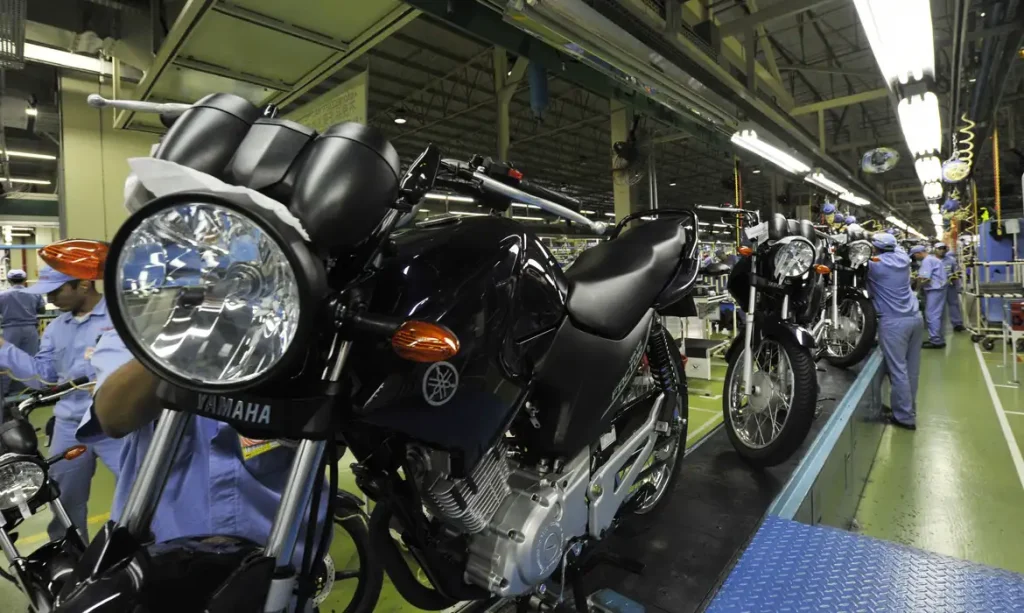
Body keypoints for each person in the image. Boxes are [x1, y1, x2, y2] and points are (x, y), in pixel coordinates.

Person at [78, 329, 327, 572]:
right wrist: (197, 330)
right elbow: (115, 416)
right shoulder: (138, 321)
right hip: (158, 557)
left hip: (279, 556)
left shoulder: (296, 322)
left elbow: (330, 445)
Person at [0, 266, 122, 539]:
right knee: (65, 501)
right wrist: (4, 351)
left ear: (84, 284)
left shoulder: (121, 318)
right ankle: (74, 560)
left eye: (56, 290)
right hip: (70, 425)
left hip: (117, 422)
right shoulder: (56, 328)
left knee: (139, 491)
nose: (50, 299)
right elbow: (44, 378)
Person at [867, 232, 923, 430]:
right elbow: (895, 247)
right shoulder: (903, 259)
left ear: (876, 248)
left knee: (898, 370)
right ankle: (910, 409)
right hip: (915, 319)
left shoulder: (875, 266)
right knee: (911, 370)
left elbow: (857, 263)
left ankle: (904, 417)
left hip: (894, 323)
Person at [0, 269, 45, 404]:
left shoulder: (2, 295)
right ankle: (32, 389)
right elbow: (41, 310)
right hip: (30, 330)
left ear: (9, 280)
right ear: (25, 280)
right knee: (30, 360)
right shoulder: (34, 293)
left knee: (6, 360)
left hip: (10, 329)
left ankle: (4, 391)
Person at [915, 242, 949, 349]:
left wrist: (916, 290)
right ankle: (939, 338)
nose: (915, 258)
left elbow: (925, 278)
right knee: (937, 314)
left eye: (914, 255)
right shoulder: (932, 259)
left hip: (935, 290)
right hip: (939, 289)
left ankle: (936, 340)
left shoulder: (927, 261)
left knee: (931, 314)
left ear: (919, 253)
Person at [941, 244, 965, 332]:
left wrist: (958, 286)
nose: (941, 250)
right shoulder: (932, 260)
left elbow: (957, 273)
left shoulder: (951, 260)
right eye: (939, 248)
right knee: (938, 306)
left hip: (950, 286)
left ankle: (957, 323)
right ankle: (937, 324)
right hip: (937, 287)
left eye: (943, 248)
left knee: (953, 304)